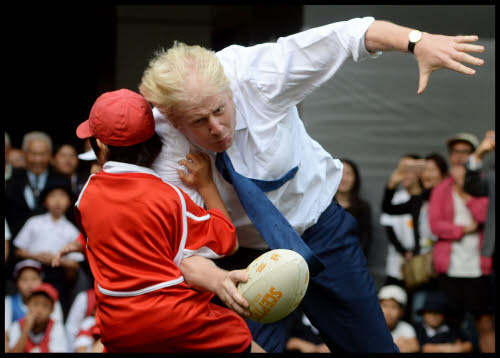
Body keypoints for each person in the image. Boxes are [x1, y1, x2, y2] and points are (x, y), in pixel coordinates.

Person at [138, 17, 485, 352]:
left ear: (229, 89)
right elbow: (180, 249)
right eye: (198, 121)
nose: (215, 127)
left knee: (371, 346)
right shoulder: (163, 148)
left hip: (319, 232)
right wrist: (217, 281)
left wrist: (416, 42)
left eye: (219, 109)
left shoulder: (258, 76)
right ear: (172, 119)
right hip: (240, 260)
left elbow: (346, 36)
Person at [72, 88, 261, 353]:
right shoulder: (171, 197)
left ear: (101, 146)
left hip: (116, 327)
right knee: (245, 341)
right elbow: (226, 241)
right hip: (175, 319)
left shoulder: (86, 197)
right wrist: (206, 185)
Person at [429, 132, 494, 353]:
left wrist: (464, 190)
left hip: (479, 265)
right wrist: (463, 229)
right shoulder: (440, 189)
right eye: (455, 152)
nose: (459, 157)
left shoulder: (484, 184)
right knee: (451, 323)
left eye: (465, 152)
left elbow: (485, 216)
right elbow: (436, 226)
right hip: (450, 265)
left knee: (484, 322)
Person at [382, 153, 448, 322]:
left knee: (446, 313)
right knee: (420, 313)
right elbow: (389, 209)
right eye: (425, 170)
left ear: (443, 173)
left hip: (448, 267)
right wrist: (392, 184)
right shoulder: (419, 200)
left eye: (432, 170)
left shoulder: (450, 198)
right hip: (424, 268)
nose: (427, 174)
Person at [5, 131, 70, 295]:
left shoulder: (61, 181)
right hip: (16, 263)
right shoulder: (11, 181)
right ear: (25, 154)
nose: (37, 159)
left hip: (53, 267)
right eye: (33, 154)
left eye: (42, 154)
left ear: (50, 156)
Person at [13, 180, 84, 316]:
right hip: (31, 271)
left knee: (55, 311)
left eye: (62, 197)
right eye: (52, 196)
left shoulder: (71, 230)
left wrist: (55, 260)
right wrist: (36, 256)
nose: (57, 201)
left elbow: (75, 263)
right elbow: (18, 250)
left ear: (69, 202)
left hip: (57, 275)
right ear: (45, 201)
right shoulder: (34, 222)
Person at [381, 154, 423, 288]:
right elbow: (389, 224)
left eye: (409, 170)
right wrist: (405, 252)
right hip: (398, 262)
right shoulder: (396, 198)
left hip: (424, 261)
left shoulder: (425, 197)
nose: (404, 174)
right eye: (401, 170)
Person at [5, 260, 64, 335]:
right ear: (17, 283)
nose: (30, 285)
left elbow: (57, 330)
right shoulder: (8, 302)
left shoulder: (52, 301)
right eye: (24, 280)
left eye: (34, 279)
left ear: (41, 281)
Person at [6, 283, 68, 353]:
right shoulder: (17, 326)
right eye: (35, 304)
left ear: (52, 310)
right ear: (28, 304)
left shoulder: (56, 327)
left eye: (45, 306)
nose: (39, 310)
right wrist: (25, 330)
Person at [334, 158, 372, 258]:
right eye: (340, 172)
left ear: (355, 179)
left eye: (348, 173)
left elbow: (365, 238)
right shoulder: (323, 206)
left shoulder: (363, 207)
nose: (344, 178)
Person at [378, 285, 420, 353]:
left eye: (393, 307)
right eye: (384, 305)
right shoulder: (371, 326)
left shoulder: (405, 328)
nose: (388, 312)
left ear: (402, 312)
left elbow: (415, 347)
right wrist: (396, 346)